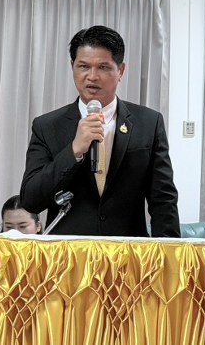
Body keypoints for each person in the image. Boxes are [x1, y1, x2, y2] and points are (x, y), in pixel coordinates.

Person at [20, 25, 180, 237]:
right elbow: (31, 200)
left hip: (127, 252)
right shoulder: (47, 126)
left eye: (103, 67)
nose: (92, 76)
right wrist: (74, 151)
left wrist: (169, 253)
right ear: (72, 67)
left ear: (120, 71)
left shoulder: (148, 123)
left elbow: (163, 200)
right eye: (83, 66)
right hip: (68, 253)